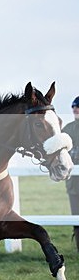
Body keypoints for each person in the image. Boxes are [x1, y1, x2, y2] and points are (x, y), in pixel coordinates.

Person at [62, 96, 79, 250]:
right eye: (74, 106)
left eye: (78, 106)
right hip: (74, 183)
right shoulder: (67, 129)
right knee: (76, 216)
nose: (75, 109)